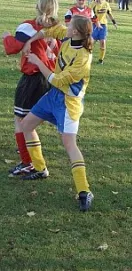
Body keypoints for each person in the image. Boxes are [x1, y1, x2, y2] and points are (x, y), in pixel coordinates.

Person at [20, 15, 94, 212]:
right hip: (52, 96)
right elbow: (50, 30)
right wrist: (30, 40)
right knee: (26, 125)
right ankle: (40, 168)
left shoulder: (83, 58)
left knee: (69, 143)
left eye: (70, 25)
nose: (66, 26)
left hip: (68, 103)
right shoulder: (68, 37)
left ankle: (84, 191)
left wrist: (37, 60)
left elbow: (57, 80)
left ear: (76, 31)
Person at [2, 0, 59, 176]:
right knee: (29, 121)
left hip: (32, 79)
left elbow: (13, 48)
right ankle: (33, 162)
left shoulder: (29, 26)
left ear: (37, 6)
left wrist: (6, 37)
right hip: (48, 78)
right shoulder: (58, 28)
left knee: (22, 122)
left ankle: (30, 162)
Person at [92, 0, 117, 64]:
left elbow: (109, 14)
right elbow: (90, 15)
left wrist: (114, 23)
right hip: (94, 25)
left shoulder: (106, 4)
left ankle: (101, 60)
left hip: (103, 26)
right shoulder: (93, 4)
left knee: (102, 42)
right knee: (91, 42)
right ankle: (88, 57)